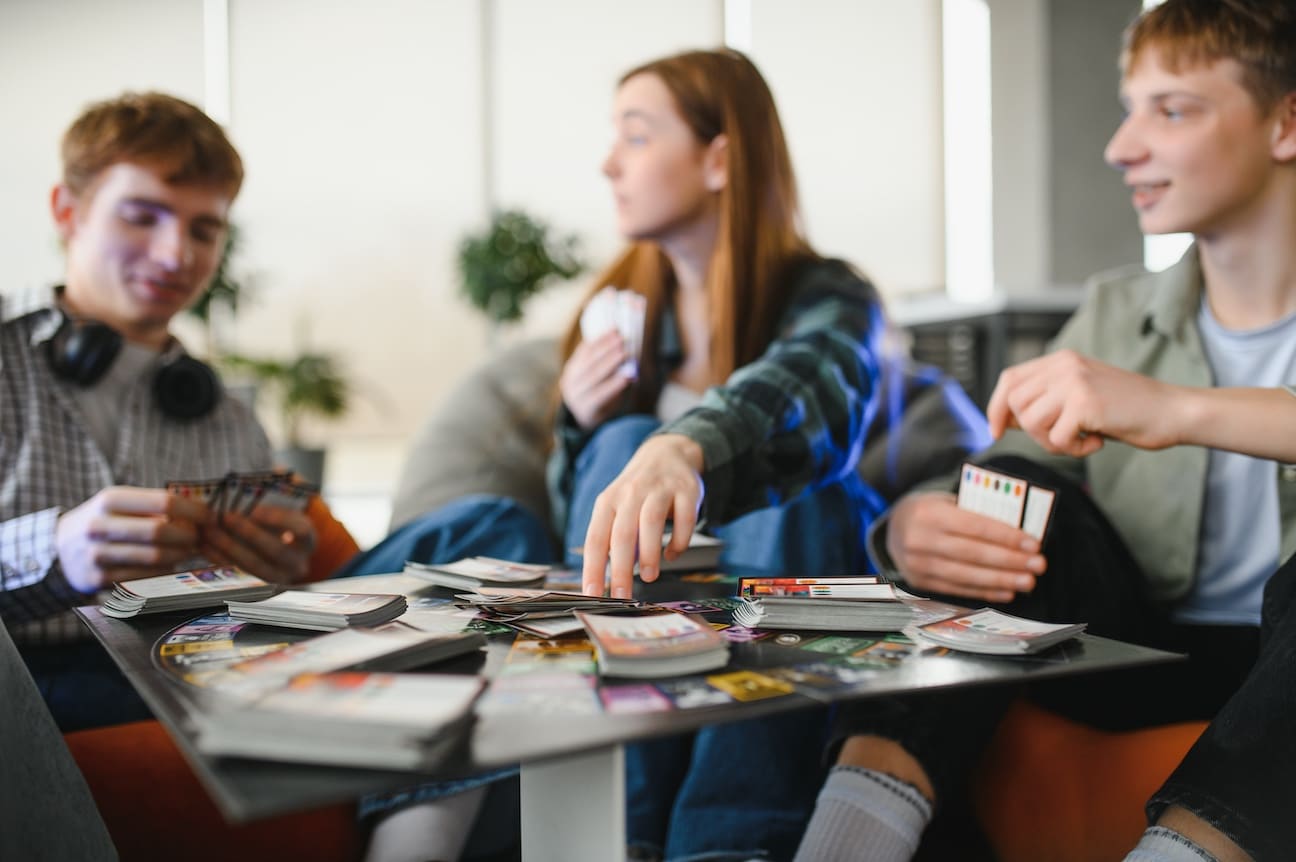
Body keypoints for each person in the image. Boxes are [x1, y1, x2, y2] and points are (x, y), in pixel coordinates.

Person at [348, 47, 891, 862]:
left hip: (783, 602)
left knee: (803, 482)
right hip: (644, 640)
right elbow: (577, 528)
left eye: (636, 136)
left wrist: (687, 450)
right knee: (616, 443)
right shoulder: (618, 316)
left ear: (718, 157)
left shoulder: (828, 296)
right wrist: (576, 423)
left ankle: (730, 844)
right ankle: (622, 837)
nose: (609, 163)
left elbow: (816, 385)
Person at [793, 1, 1296, 860]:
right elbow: (1003, 469)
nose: (1122, 145)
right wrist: (917, 524)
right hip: (1143, 651)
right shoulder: (1114, 309)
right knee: (1013, 501)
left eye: (1171, 110)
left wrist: (1174, 410)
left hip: (1277, 673)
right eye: (1130, 106)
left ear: (1286, 123)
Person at [0, 91, 318, 732]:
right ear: (68, 211)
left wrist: (279, 573)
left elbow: (251, 606)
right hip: (23, 682)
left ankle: (413, 833)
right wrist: (52, 551)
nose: (177, 256)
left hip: (182, 663)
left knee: (481, 529)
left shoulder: (228, 415)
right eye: (142, 216)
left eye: (205, 229)